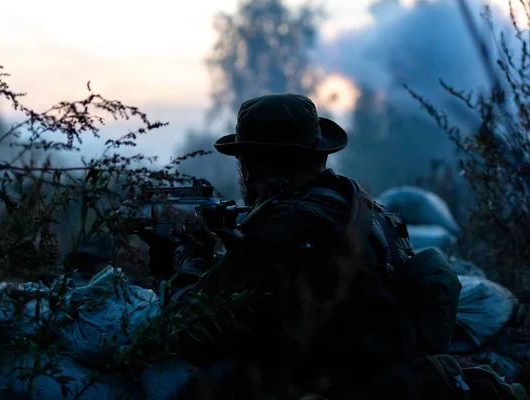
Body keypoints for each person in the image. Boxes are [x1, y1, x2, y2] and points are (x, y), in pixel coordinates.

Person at [167, 93, 464, 399]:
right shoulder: (365, 210)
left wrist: (191, 258)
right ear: (319, 154)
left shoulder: (284, 227)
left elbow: (192, 336)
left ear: (251, 166)